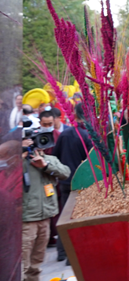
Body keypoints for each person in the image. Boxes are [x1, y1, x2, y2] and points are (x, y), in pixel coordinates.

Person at [21, 110, 70, 281]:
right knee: (23, 263)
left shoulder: (46, 158)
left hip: (46, 216)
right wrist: (21, 156)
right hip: (26, 219)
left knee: (36, 262)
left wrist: (46, 166)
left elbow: (65, 172)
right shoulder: (18, 161)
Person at [52, 103, 93, 263]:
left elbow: (55, 156)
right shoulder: (87, 136)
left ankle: (62, 252)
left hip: (64, 181)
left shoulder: (64, 135)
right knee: (79, 218)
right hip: (80, 183)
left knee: (65, 217)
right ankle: (74, 255)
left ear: (75, 115)